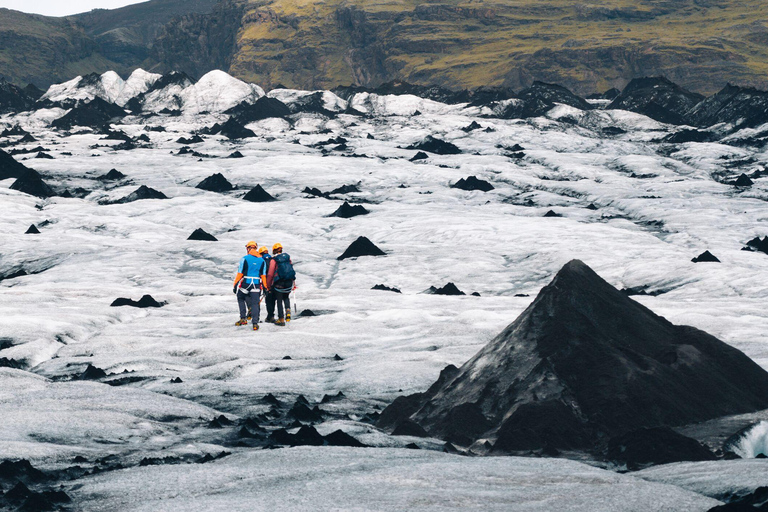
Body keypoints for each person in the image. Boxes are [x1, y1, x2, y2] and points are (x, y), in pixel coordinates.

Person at [233, 241, 268, 330]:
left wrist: (235, 285)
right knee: (255, 303)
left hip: (246, 283)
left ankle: (243, 318)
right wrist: (265, 287)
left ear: (248, 248)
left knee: (240, 297)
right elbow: (263, 275)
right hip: (256, 284)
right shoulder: (262, 260)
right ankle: (255, 323)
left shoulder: (244, 258)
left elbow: (240, 273)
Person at [266, 242, 295, 326]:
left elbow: (270, 274)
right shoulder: (287, 258)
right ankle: (288, 311)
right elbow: (291, 269)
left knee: (279, 299)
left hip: (279, 282)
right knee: (286, 296)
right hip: (289, 282)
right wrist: (293, 283)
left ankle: (281, 319)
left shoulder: (274, 260)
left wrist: (268, 285)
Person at [259, 246, 275, 323]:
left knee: (268, 299)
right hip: (274, 281)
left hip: (266, 281)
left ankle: (270, 316)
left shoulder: (261, 260)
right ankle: (271, 315)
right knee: (273, 299)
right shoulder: (272, 259)